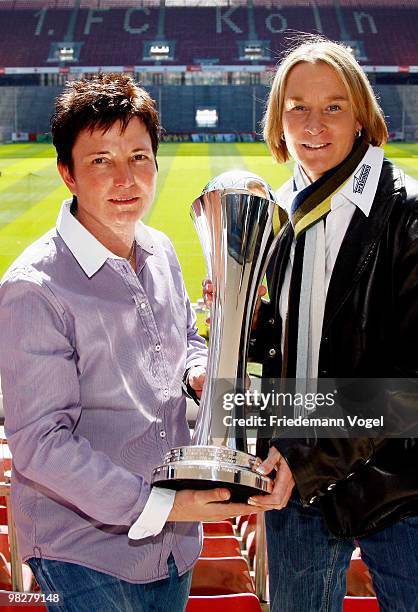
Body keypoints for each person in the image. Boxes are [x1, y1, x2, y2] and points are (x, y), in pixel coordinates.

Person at [0, 74, 262, 612]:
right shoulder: (34, 288)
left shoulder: (160, 250)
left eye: (139, 156)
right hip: (83, 556)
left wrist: (197, 372)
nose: (126, 178)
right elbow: (41, 445)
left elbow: (184, 336)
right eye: (101, 160)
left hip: (171, 551)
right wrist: (162, 506)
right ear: (67, 173)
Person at [245, 35, 418, 611]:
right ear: (278, 119)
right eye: (298, 107)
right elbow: (295, 344)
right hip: (296, 483)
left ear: (362, 114)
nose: (314, 123)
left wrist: (313, 454)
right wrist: (242, 319)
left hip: (401, 479)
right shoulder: (281, 214)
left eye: (333, 106)